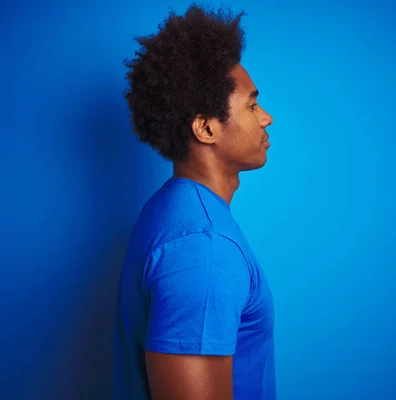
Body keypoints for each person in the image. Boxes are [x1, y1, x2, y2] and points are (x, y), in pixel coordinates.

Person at [113, 4, 276, 399]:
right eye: (252, 105)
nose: (266, 117)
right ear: (205, 128)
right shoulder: (203, 249)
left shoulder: (173, 209)